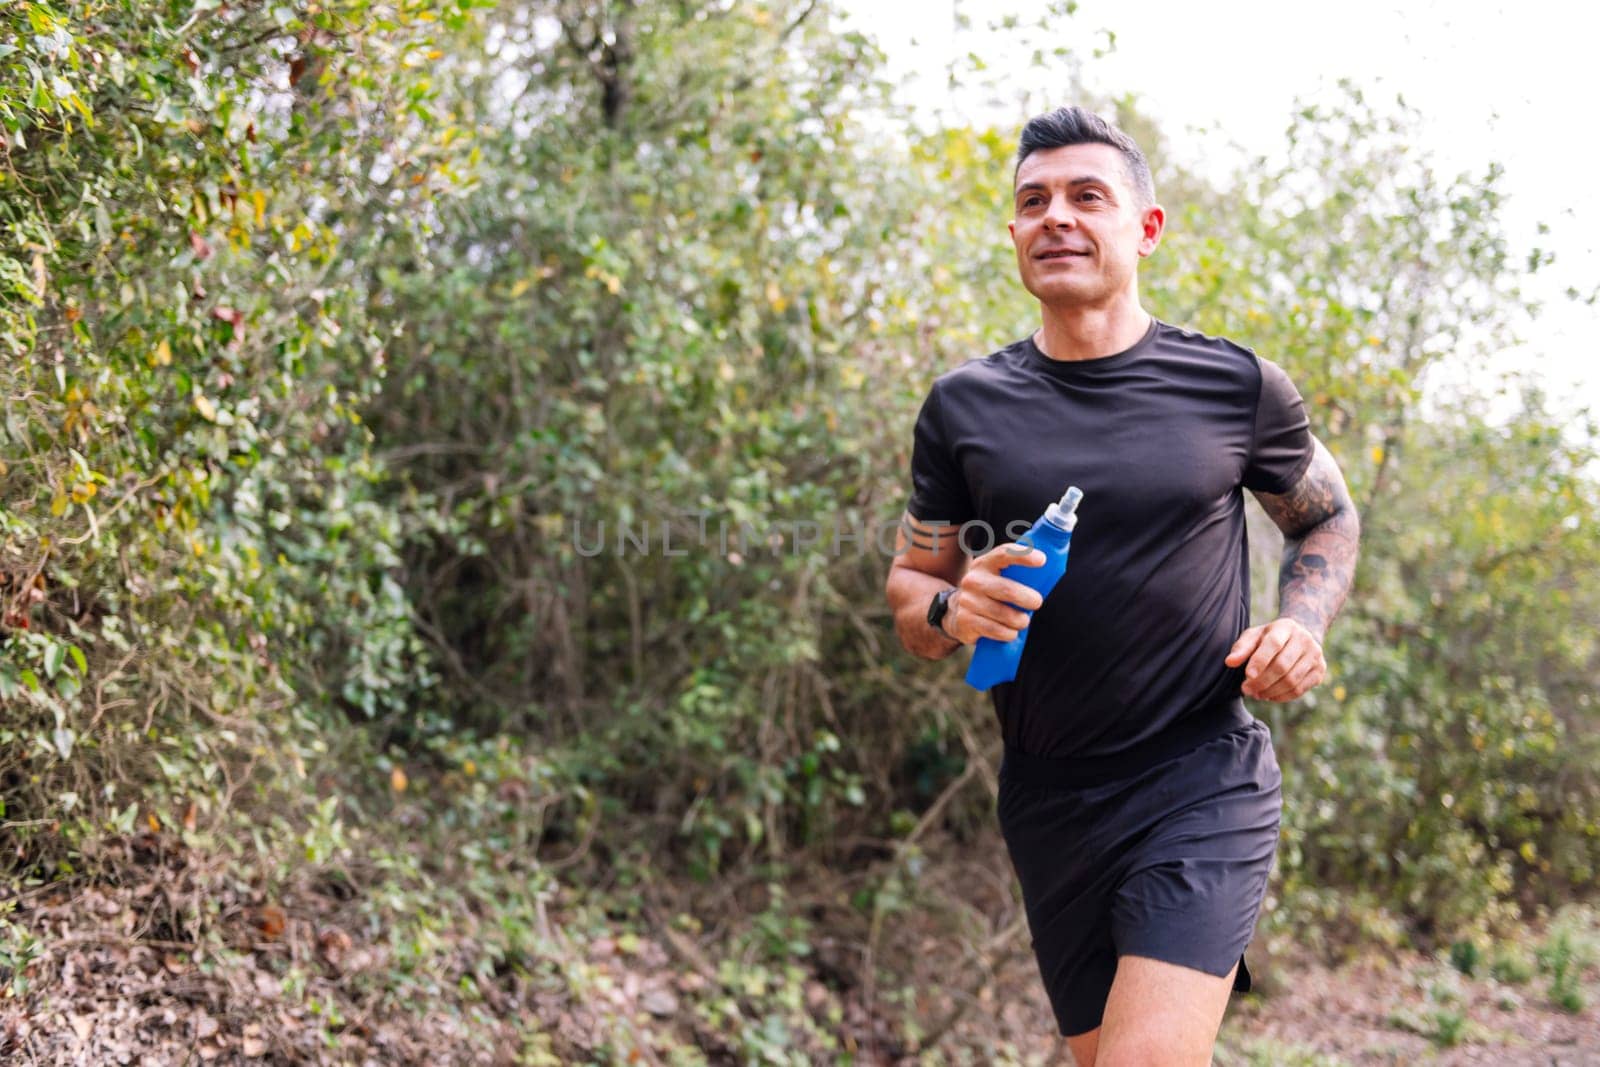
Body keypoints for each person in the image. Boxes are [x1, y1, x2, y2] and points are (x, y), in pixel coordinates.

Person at [883, 106, 1360, 1066]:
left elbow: (1326, 516)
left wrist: (1302, 623)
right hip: (1048, 796)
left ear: (1145, 227)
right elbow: (910, 582)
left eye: (1085, 195)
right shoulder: (963, 407)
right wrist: (949, 607)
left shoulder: (1235, 387)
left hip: (1199, 776)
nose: (1055, 215)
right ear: (1014, 233)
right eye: (1033, 201)